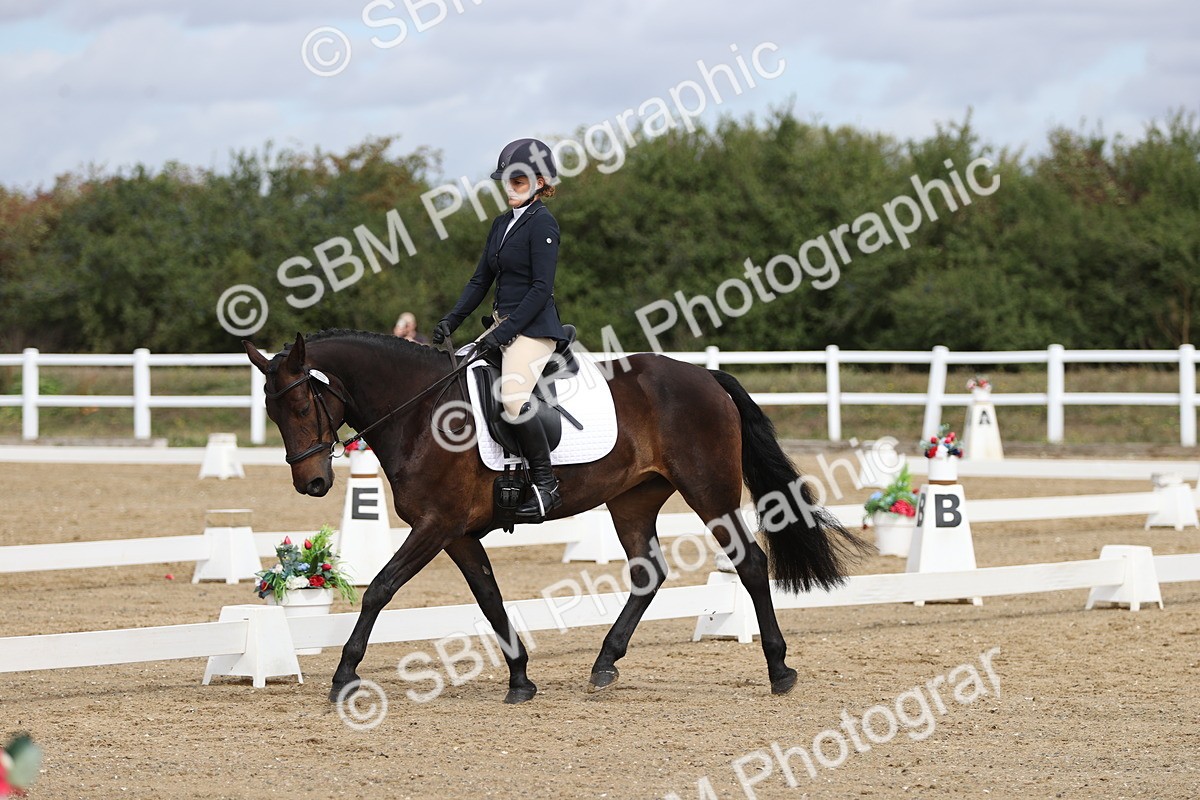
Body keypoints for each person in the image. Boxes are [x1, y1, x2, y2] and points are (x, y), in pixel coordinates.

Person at [431, 138, 567, 522]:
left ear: (540, 182)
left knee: (512, 398)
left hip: (534, 330)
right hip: (500, 325)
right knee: (455, 377)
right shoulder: (501, 224)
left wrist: (504, 333)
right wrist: (452, 319)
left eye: (518, 181)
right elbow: (480, 280)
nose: (510, 188)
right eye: (507, 181)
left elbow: (541, 289)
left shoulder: (543, 223)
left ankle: (546, 486)